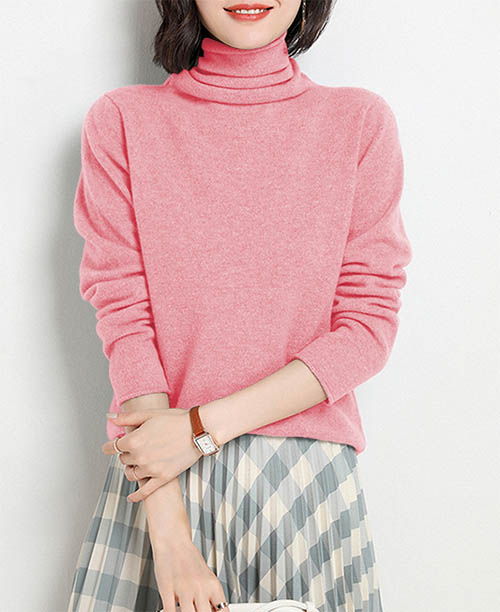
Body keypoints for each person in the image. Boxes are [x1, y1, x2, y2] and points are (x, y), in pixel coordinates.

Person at [67, 1, 412, 610]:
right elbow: (125, 322)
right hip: (158, 488)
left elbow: (366, 327)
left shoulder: (358, 123)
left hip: (301, 487)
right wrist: (171, 539)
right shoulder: (122, 121)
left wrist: (199, 430)